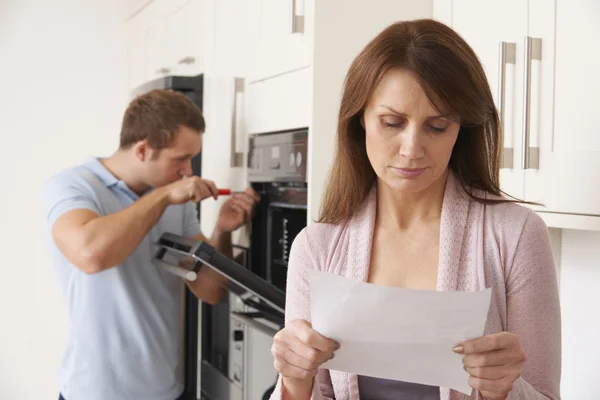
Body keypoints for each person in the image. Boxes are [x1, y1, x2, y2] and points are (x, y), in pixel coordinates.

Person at [269, 19, 561, 400]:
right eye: (392, 122)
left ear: (461, 130)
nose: (411, 148)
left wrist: (505, 389)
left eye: (437, 126)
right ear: (360, 121)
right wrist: (293, 380)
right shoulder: (318, 247)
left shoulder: (515, 235)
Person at [43, 89, 260, 400]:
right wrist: (164, 196)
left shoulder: (174, 198)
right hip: (94, 393)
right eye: (181, 159)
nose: (188, 171)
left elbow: (210, 290)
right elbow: (90, 255)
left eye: (191, 159)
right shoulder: (71, 186)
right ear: (142, 150)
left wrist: (222, 231)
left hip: (165, 390)